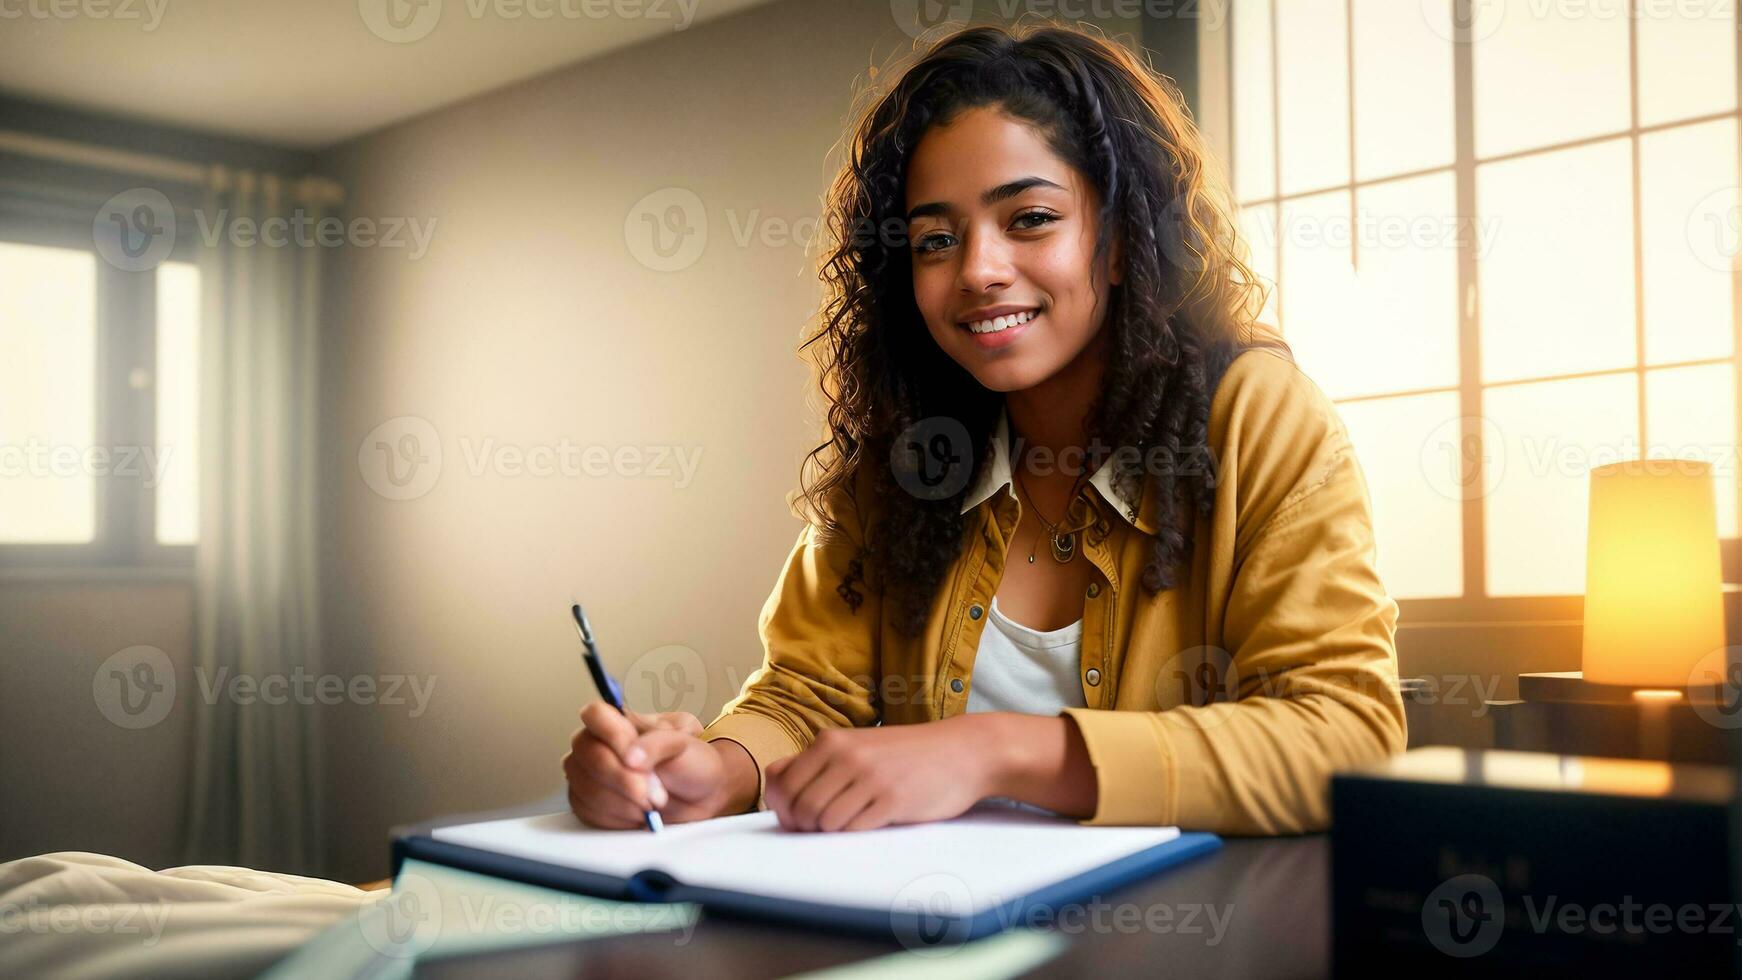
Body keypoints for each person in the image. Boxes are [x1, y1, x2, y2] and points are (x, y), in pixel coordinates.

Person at [563, 22, 1406, 837]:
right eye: (937, 239)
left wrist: (995, 750)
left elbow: (1345, 736)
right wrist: (716, 769)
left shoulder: (1256, 417)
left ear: (1116, 240)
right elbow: (805, 697)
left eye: (1031, 219)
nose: (978, 271)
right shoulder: (903, 459)